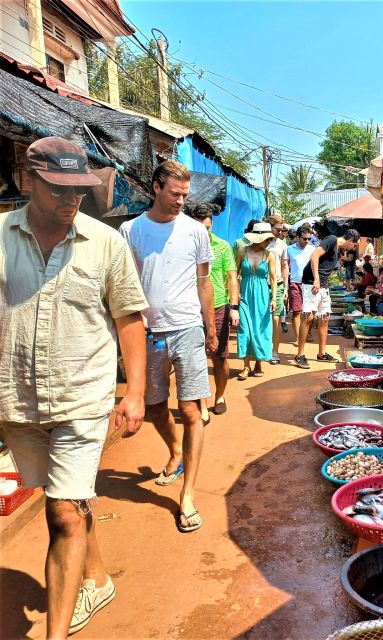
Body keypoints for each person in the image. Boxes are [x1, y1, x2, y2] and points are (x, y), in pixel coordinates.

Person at [0, 137, 148, 636]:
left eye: (79, 191)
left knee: (62, 513)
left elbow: (129, 317)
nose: (71, 201)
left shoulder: (105, 243)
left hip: (83, 394)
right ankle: (97, 576)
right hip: (16, 397)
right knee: (63, 495)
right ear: (26, 182)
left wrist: (133, 392)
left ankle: (55, 634)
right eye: (57, 189)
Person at [120, 160, 216, 535]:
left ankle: (187, 494)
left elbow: (204, 283)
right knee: (156, 408)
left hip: (188, 329)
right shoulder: (131, 230)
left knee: (191, 410)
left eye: (185, 195)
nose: (181, 201)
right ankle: (174, 451)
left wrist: (210, 328)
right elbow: (123, 284)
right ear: (156, 187)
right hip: (148, 334)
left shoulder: (195, 231)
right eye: (175, 193)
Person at [186, 204, 239, 416]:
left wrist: (233, 307)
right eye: (199, 228)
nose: (203, 233)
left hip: (218, 307)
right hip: (190, 308)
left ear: (212, 225)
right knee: (194, 358)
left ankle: (219, 395)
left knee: (219, 356)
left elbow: (232, 278)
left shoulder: (223, 246)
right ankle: (201, 402)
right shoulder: (184, 245)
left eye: (207, 228)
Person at [295, 227, 360, 368]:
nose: (354, 248)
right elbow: (314, 256)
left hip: (323, 285)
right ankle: (300, 354)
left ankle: (322, 353)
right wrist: (317, 279)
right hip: (312, 283)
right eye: (354, 245)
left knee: (324, 318)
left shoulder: (338, 248)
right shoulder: (331, 240)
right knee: (308, 317)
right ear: (350, 240)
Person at [236, 222, 277, 379]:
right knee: (244, 330)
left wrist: (274, 298)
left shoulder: (269, 255)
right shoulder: (242, 251)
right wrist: (235, 294)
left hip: (262, 297)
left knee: (260, 331)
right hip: (245, 296)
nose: (268, 242)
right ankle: (246, 366)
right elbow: (234, 273)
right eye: (266, 239)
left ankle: (258, 362)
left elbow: (273, 278)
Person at [266, 215, 289, 365]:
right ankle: (263, 349)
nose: (281, 233)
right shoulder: (260, 243)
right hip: (262, 284)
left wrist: (286, 287)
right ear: (270, 227)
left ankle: (274, 351)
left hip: (279, 285)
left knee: (276, 319)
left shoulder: (282, 245)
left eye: (283, 230)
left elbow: (284, 266)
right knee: (262, 319)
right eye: (278, 229)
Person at [287, 223, 315, 341]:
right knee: (297, 311)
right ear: (298, 237)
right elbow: (285, 266)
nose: (307, 241)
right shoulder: (289, 249)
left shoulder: (312, 249)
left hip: (309, 283)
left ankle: (307, 333)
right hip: (295, 282)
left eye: (309, 238)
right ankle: (299, 337)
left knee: (309, 311)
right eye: (305, 238)